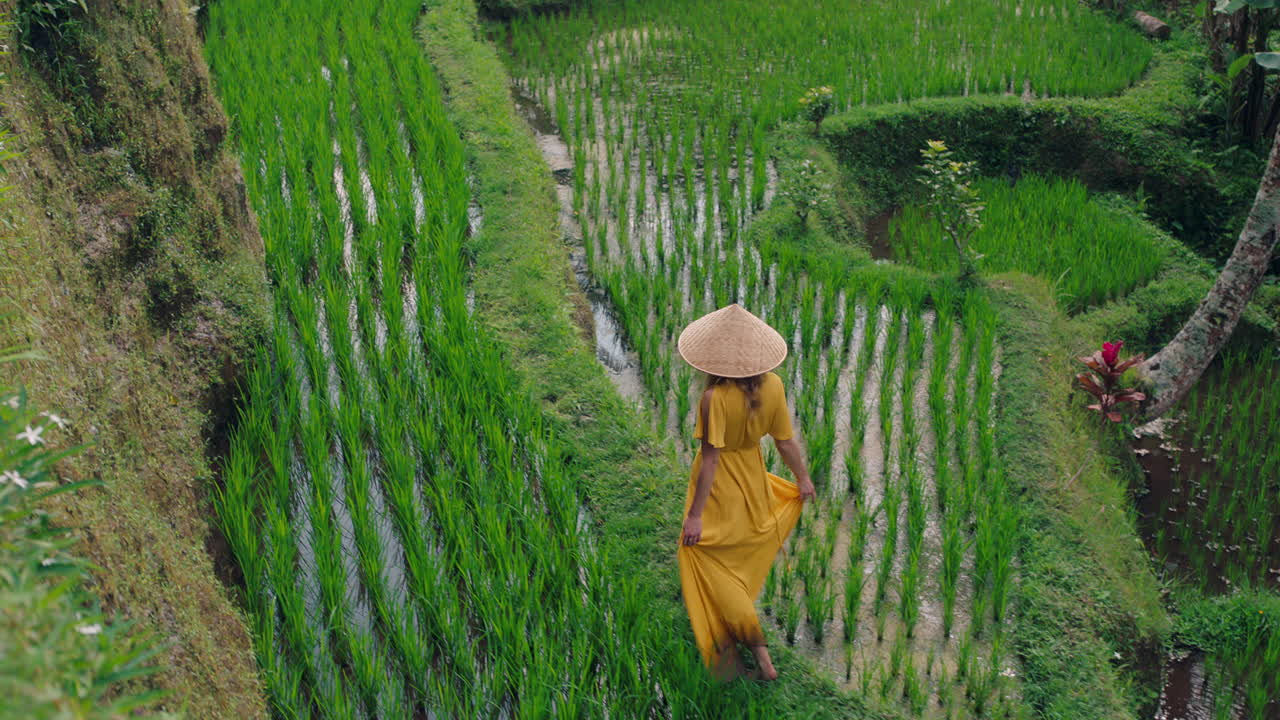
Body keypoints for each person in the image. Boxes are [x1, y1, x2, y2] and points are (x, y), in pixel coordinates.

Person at [675, 303, 815, 681]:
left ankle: (761, 658)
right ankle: (752, 643)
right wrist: (802, 479)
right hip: (753, 484)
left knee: (705, 557)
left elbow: (710, 462)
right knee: (729, 563)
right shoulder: (774, 386)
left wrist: (695, 515)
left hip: (720, 490)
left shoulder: (714, 399)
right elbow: (784, 442)